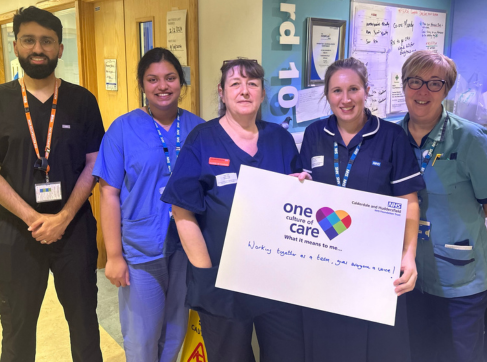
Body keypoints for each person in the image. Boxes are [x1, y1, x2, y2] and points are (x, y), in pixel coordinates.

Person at [0, 6, 104, 362]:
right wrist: (33, 218)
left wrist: (62, 218)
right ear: (15, 45)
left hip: (74, 230)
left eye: (47, 41)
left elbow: (95, 163)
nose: (38, 48)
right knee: (16, 333)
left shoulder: (82, 101)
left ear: (60, 48)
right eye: (29, 40)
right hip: (16, 233)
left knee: (84, 328)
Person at [160, 59, 305, 362]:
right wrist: (205, 273)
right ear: (222, 93)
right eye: (235, 84)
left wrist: (301, 190)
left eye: (252, 84)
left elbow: (295, 207)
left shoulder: (279, 139)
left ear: (262, 93)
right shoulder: (202, 139)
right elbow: (182, 211)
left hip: (276, 281)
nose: (244, 91)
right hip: (221, 280)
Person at [297, 57, 424, 362]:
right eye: (337, 91)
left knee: (378, 348)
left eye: (353, 89)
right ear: (327, 95)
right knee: (329, 346)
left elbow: (409, 202)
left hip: (376, 267)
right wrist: (296, 184)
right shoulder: (315, 135)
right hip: (325, 266)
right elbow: (305, 196)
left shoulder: (391, 137)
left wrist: (409, 257)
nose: (345, 99)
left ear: (367, 90)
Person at [92, 47, 204, 362]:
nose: (162, 86)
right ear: (142, 84)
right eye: (152, 79)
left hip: (185, 247)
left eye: (170, 78)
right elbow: (109, 194)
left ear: (181, 83)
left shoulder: (198, 128)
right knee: (142, 335)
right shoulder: (122, 129)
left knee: (175, 330)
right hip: (141, 249)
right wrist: (113, 255)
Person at [398, 50, 487, 362]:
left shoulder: (470, 138)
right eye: (415, 82)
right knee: (417, 353)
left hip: (460, 282)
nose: (423, 91)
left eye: (435, 83)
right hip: (408, 279)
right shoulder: (391, 137)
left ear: (447, 90)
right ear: (403, 85)